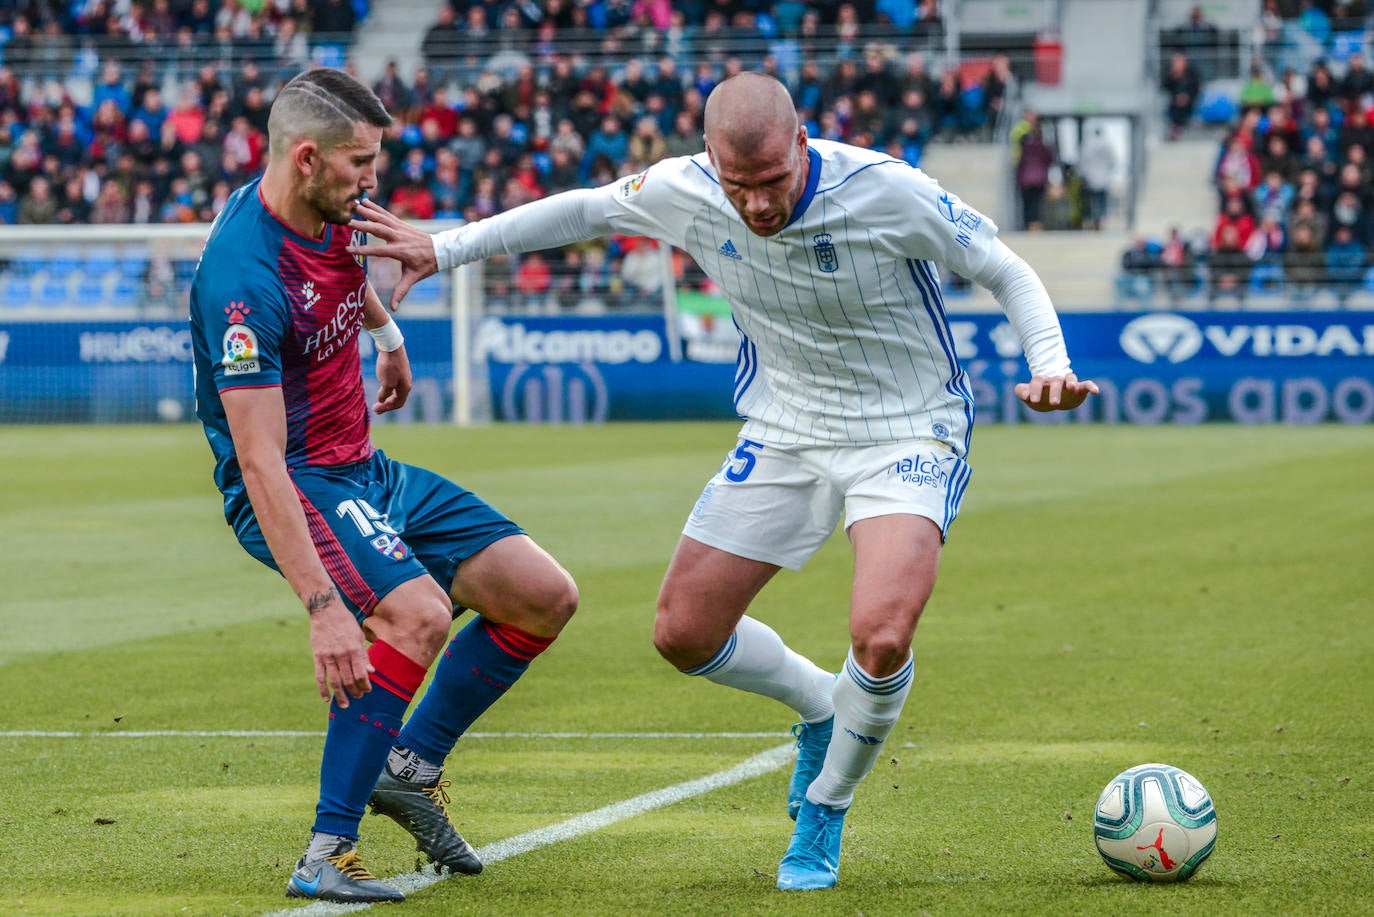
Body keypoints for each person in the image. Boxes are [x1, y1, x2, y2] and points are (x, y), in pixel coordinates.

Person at [350, 71, 1097, 892]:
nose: (759, 205)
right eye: (740, 186)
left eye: (774, 181)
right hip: (783, 429)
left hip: (907, 430)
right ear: (711, 160)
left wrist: (1050, 365)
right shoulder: (686, 188)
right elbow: (585, 209)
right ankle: (823, 706)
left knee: (881, 634)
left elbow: (1005, 268)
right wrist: (444, 246)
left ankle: (824, 804)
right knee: (682, 632)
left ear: (803, 146)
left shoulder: (886, 189)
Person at [187, 68, 577, 904]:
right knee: (418, 614)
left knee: (543, 595)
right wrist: (326, 609)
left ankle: (410, 765)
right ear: (305, 159)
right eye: (360, 161)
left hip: (368, 470)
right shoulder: (241, 280)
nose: (375, 180)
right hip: (301, 485)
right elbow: (259, 461)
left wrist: (390, 335)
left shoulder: (329, 209)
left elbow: (343, 271)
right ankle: (329, 848)